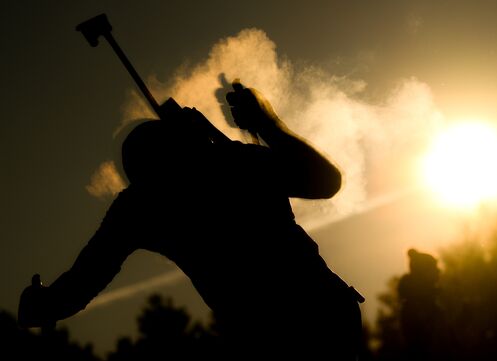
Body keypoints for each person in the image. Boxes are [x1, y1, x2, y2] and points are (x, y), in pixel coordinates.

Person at [18, 81, 364, 360]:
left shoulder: (144, 203)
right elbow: (325, 182)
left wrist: (41, 304)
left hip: (264, 339)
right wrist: (263, 123)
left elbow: (82, 282)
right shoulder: (233, 162)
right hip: (325, 316)